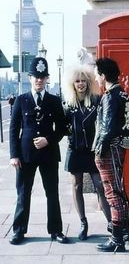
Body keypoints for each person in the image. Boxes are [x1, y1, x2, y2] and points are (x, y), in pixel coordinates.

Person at [9, 57, 68, 245]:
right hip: (25, 156)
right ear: (30, 77)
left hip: (48, 153)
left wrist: (48, 139)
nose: (39, 80)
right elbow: (13, 129)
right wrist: (14, 155)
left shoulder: (54, 101)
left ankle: (56, 231)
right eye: (36, 76)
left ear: (47, 78)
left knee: (52, 192)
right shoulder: (21, 100)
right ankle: (18, 230)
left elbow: (62, 128)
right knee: (23, 193)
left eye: (42, 77)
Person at [63, 63, 112, 240]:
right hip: (75, 149)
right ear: (72, 84)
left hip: (93, 150)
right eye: (77, 81)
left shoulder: (97, 100)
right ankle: (83, 223)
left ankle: (110, 222)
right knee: (76, 186)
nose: (81, 84)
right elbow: (61, 126)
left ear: (89, 82)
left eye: (84, 80)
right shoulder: (67, 104)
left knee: (100, 184)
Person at [93, 57, 129, 252]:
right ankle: (125, 232)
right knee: (119, 190)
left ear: (103, 75)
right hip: (120, 148)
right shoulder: (123, 94)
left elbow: (107, 127)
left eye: (97, 74)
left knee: (112, 193)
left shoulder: (110, 96)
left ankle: (117, 239)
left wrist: (99, 151)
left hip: (109, 150)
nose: (96, 77)